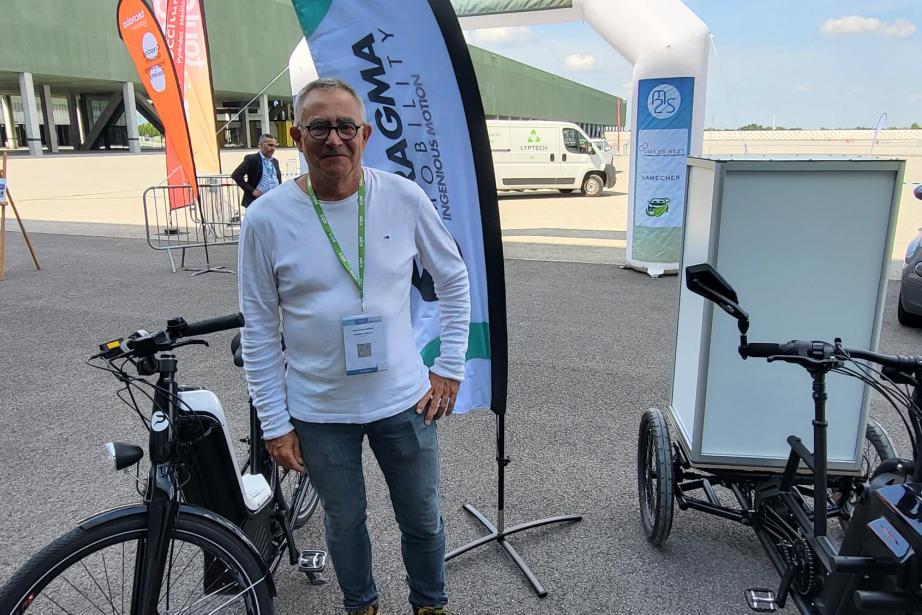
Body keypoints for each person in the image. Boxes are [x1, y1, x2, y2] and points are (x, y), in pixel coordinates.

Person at [237, 78, 470, 615]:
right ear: (297, 135)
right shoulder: (265, 219)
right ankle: (360, 606)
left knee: (422, 517)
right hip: (320, 412)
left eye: (345, 126)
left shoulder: (403, 198)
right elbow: (258, 330)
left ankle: (429, 605)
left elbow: (453, 279)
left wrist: (450, 366)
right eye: (319, 126)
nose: (334, 138)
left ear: (365, 133)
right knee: (344, 524)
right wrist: (275, 422)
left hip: (405, 400)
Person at [232, 133, 282, 208]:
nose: (273, 148)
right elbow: (236, 175)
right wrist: (253, 191)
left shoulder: (275, 161)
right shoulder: (252, 159)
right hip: (258, 202)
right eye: (270, 145)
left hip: (274, 201)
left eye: (275, 146)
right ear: (260, 145)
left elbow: (278, 180)